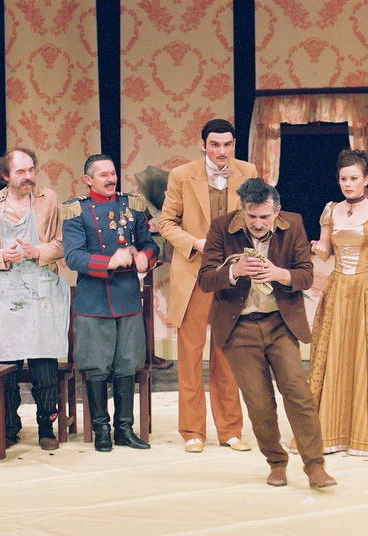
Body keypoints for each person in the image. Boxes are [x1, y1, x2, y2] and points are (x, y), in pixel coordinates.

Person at [198, 178, 337, 488]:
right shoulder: (222, 228)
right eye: (251, 216)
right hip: (238, 327)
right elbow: (205, 279)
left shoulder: (293, 225)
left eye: (264, 216)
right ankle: (276, 462)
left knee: (299, 394)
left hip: (279, 323)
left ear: (277, 211)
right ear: (242, 210)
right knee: (259, 404)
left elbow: (306, 275)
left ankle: (315, 466)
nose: (258, 223)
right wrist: (234, 271)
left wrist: (279, 274)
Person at [158, 119, 254, 454]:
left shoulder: (248, 171)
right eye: (215, 144)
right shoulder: (182, 175)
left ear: (234, 144)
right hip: (194, 273)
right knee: (190, 354)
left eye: (227, 144)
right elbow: (165, 222)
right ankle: (192, 431)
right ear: (203, 145)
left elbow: (256, 216)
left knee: (228, 354)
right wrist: (195, 243)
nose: (221, 151)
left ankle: (231, 430)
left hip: (232, 275)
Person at [308, 149, 368, 456]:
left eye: (353, 179)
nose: (347, 184)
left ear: (366, 180)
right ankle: (332, 432)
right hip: (339, 288)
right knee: (335, 355)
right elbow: (326, 252)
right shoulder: (330, 210)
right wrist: (317, 248)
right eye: (343, 179)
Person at [62, 154, 159, 452]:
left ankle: (125, 429)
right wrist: (109, 262)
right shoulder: (75, 210)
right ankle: (101, 429)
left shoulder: (133, 205)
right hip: (93, 300)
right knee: (95, 366)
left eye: (113, 173)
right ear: (88, 179)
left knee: (127, 364)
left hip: (127, 297)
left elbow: (149, 244)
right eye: (103, 174)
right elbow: (73, 257)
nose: (110, 179)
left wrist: (145, 258)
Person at [0, 148, 70, 451]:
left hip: (41, 288)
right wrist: (4, 254)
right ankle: (8, 427)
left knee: (44, 364)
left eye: (31, 169)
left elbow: (62, 243)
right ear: (5, 175)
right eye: (21, 171)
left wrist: (38, 251)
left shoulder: (48, 198)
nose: (28, 176)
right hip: (7, 293)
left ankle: (46, 426)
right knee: (7, 366)